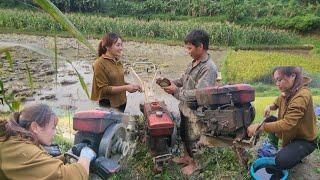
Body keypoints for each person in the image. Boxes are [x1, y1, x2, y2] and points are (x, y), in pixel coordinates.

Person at [160, 29, 218, 175]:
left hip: (197, 112)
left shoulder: (209, 68)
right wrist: (169, 83)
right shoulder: (193, 62)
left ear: (201, 47)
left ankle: (196, 164)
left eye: (190, 48)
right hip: (185, 108)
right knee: (185, 134)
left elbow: (200, 95)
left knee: (195, 138)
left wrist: (176, 91)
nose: (188, 51)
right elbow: (183, 80)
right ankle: (186, 158)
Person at [247, 66, 318, 170]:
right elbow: (277, 102)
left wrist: (260, 127)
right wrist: (269, 106)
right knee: (269, 119)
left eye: (280, 80)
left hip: (304, 139)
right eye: (276, 80)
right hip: (292, 133)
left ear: (293, 76)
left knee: (281, 161)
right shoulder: (288, 91)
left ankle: (300, 153)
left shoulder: (302, 96)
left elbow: (287, 124)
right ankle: (272, 145)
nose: (277, 84)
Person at [0, 103, 96, 179]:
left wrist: (66, 156)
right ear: (35, 127)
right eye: (53, 128)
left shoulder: (17, 139)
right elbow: (67, 176)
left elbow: (41, 165)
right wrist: (86, 156)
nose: (55, 133)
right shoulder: (22, 150)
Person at [91, 32, 140, 112]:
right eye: (118, 45)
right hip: (109, 105)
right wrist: (126, 88)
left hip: (122, 102)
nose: (121, 48)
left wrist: (130, 85)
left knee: (120, 124)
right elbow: (103, 89)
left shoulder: (117, 61)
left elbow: (117, 81)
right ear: (107, 46)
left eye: (121, 45)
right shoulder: (99, 64)